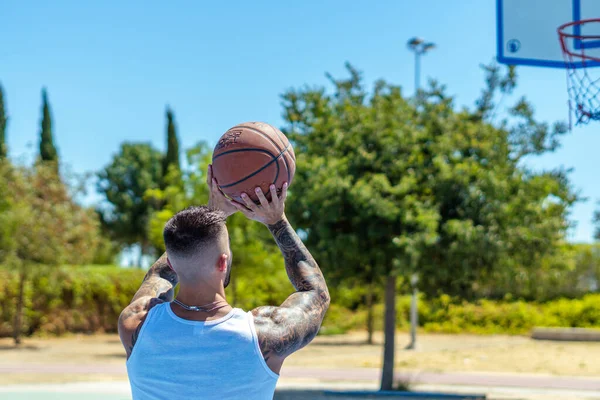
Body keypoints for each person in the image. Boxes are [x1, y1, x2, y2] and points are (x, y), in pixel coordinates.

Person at [118, 165, 330, 400]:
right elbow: (316, 292)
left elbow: (158, 276)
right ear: (223, 263)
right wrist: (276, 220)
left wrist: (211, 213)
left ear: (171, 262)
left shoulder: (135, 322)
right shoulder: (265, 334)